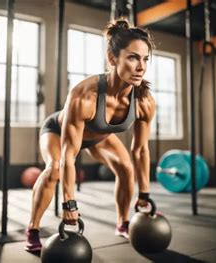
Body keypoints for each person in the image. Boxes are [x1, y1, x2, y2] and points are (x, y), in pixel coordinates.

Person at [25, 18, 156, 252]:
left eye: (145, 59)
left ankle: (123, 222)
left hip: (98, 136)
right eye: (133, 57)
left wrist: (144, 193)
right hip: (57, 130)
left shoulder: (144, 101)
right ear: (112, 58)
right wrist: (69, 203)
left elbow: (141, 150)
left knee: (126, 168)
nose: (141, 67)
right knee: (54, 167)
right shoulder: (84, 95)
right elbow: (68, 154)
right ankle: (33, 229)